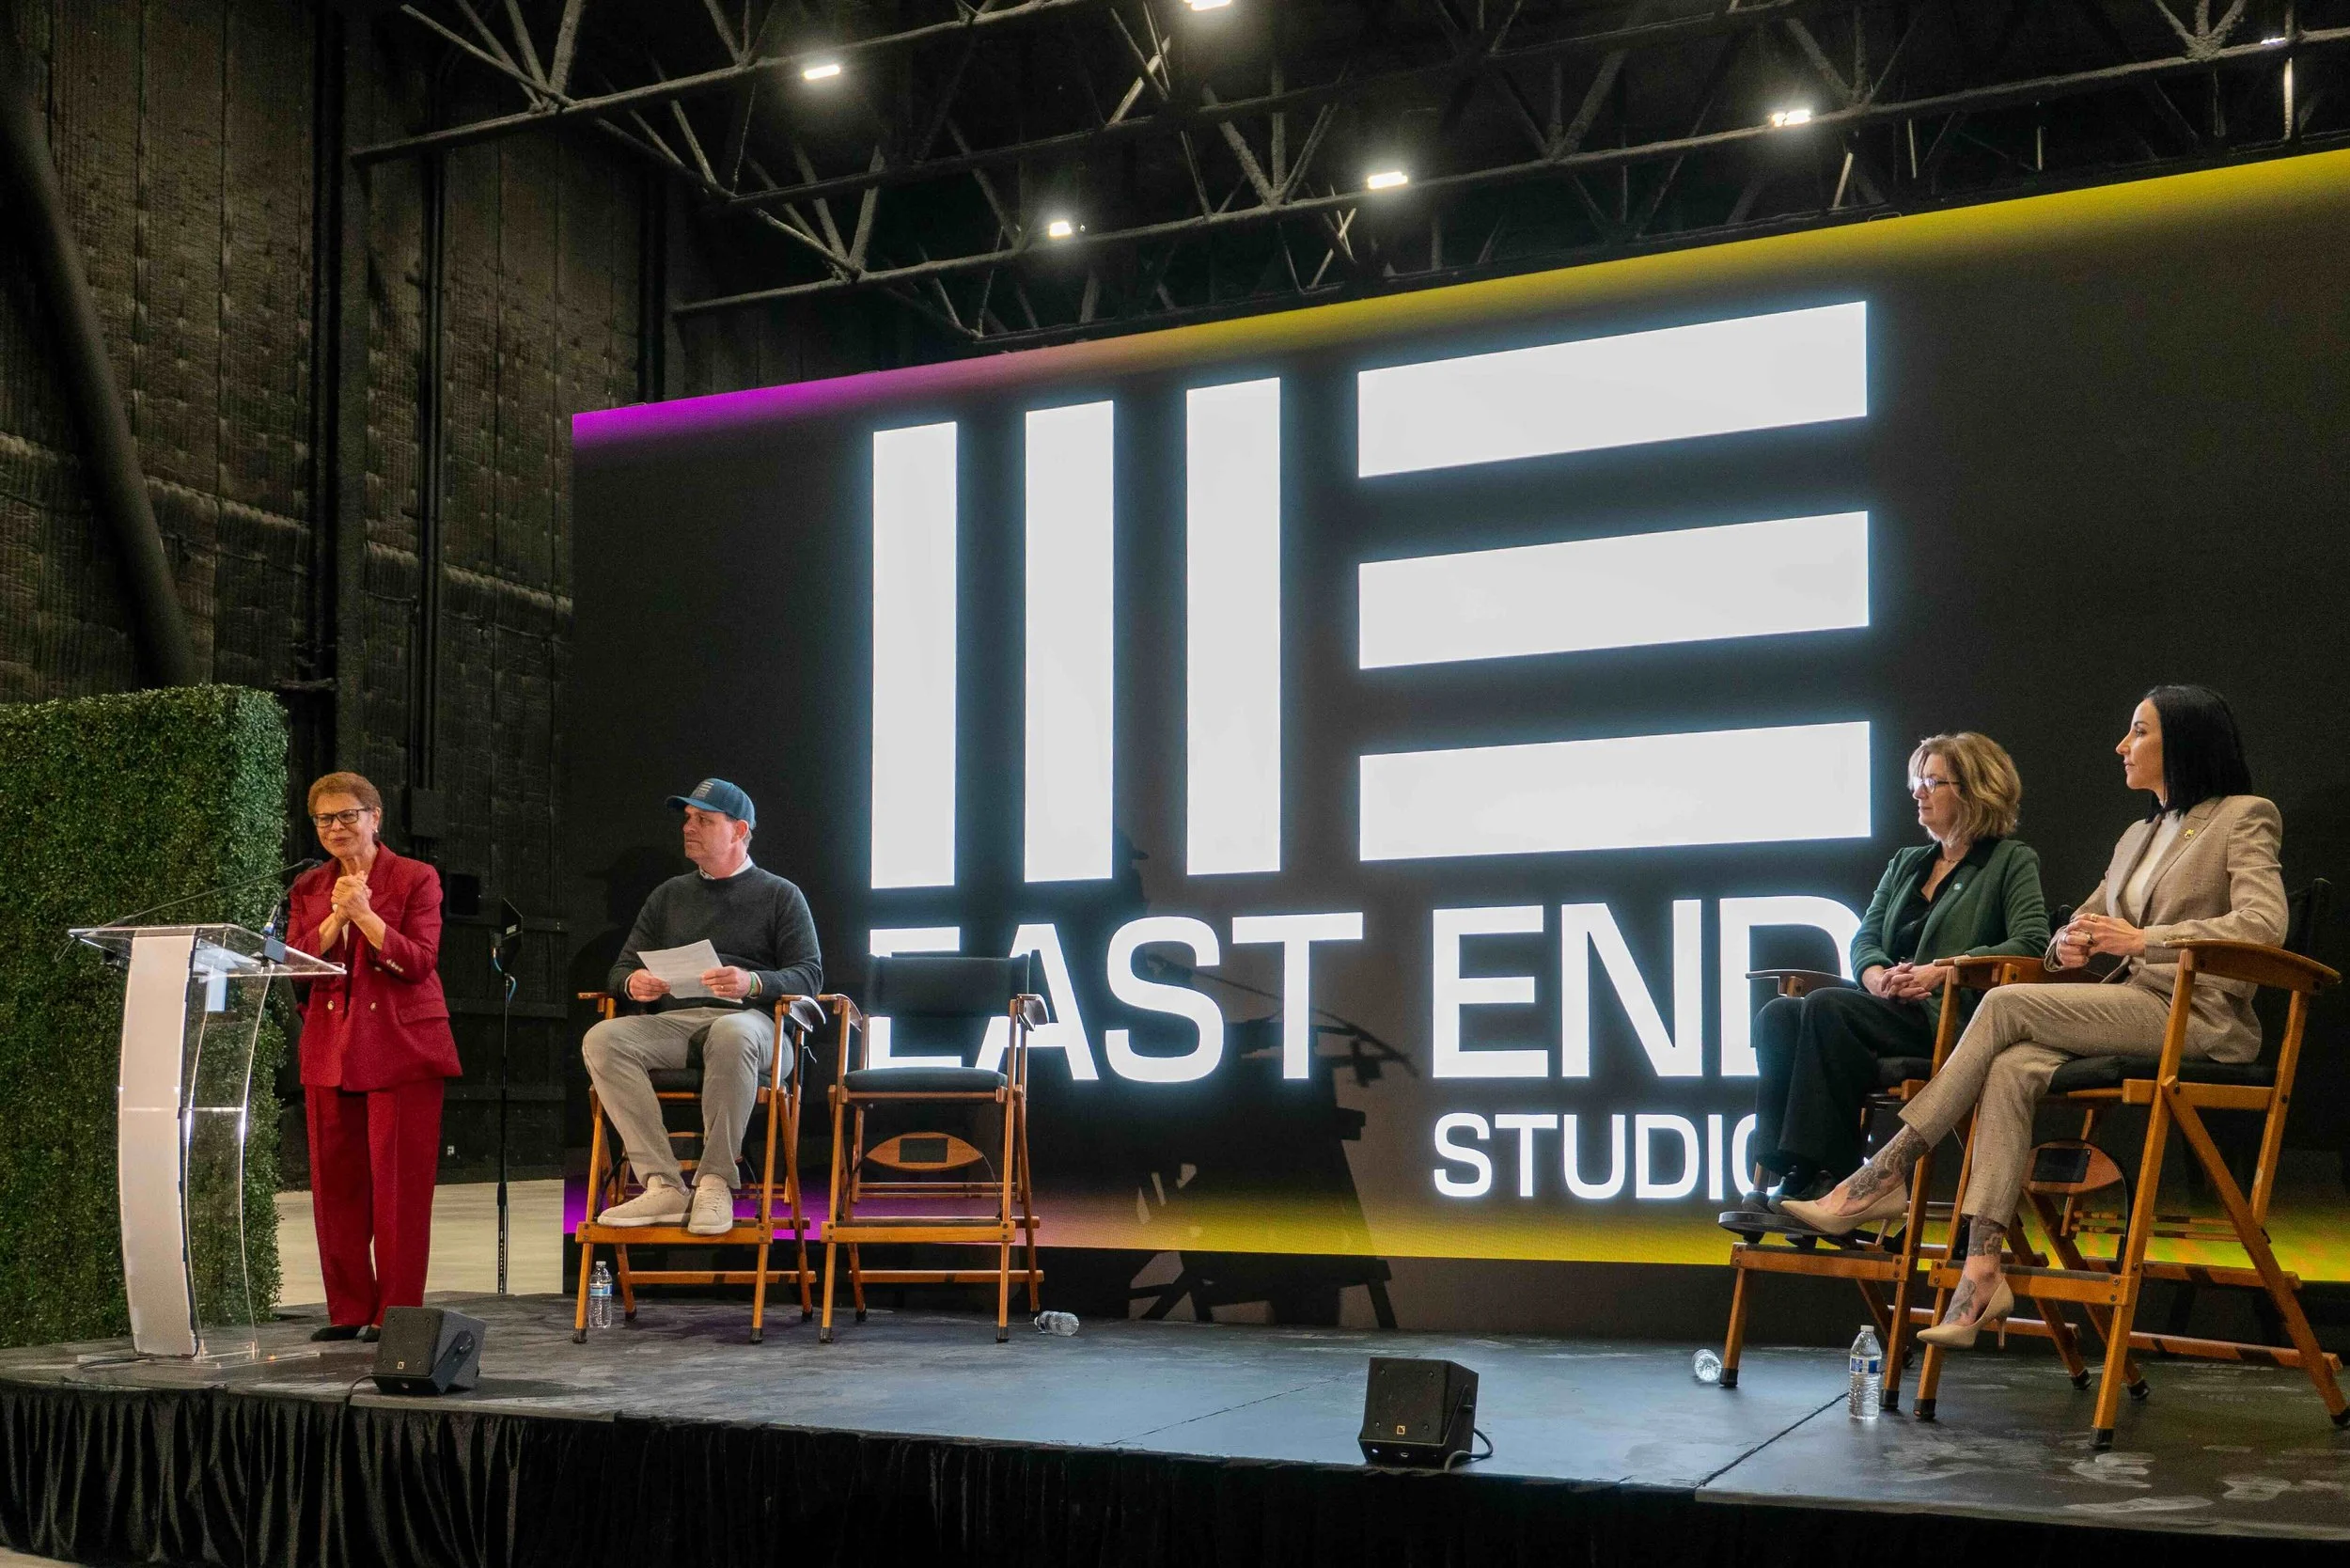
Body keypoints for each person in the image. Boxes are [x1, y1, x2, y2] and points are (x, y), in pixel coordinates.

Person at [1784, 686, 2284, 1347]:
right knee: (2012, 1068)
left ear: (2185, 741)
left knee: (2004, 1003)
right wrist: (2068, 943)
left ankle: (1885, 1171)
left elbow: (2264, 923)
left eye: (2139, 732)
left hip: (2196, 1015)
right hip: (2132, 1005)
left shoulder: (2244, 816)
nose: (2122, 746)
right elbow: (2074, 925)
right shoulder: (2137, 835)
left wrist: (2144, 941)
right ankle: (1983, 1271)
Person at [1727, 733, 2049, 1221]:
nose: (1918, 792)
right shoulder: (1906, 863)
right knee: (1778, 1015)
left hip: (1948, 1018)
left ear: (1973, 790)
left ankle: (1835, 1176)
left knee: (1827, 1007)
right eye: (1917, 781)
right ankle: (1791, 1170)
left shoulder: (2009, 861)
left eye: (1932, 782)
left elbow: (2031, 943)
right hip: (1888, 1008)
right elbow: (1866, 938)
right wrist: (1877, 977)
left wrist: (1942, 970)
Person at [583, 778, 823, 1236]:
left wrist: (753, 982)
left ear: (739, 831)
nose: (688, 828)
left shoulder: (780, 895)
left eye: (704, 820)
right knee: (603, 1038)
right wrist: (634, 983)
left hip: (758, 1026)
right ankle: (662, 1184)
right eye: (688, 819)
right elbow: (621, 969)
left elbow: (809, 976)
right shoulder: (668, 896)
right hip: (681, 1022)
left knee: (732, 1032)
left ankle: (715, 1181)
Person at [287, 771, 462, 1341]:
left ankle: (397, 1313)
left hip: (401, 1049)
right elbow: (293, 963)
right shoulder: (309, 886)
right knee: (334, 1188)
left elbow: (419, 961)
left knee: (398, 1191)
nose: (336, 827)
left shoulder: (415, 878)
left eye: (348, 815)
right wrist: (337, 917)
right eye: (324, 819)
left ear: (375, 817)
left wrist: (364, 914)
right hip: (330, 1049)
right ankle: (348, 1310)